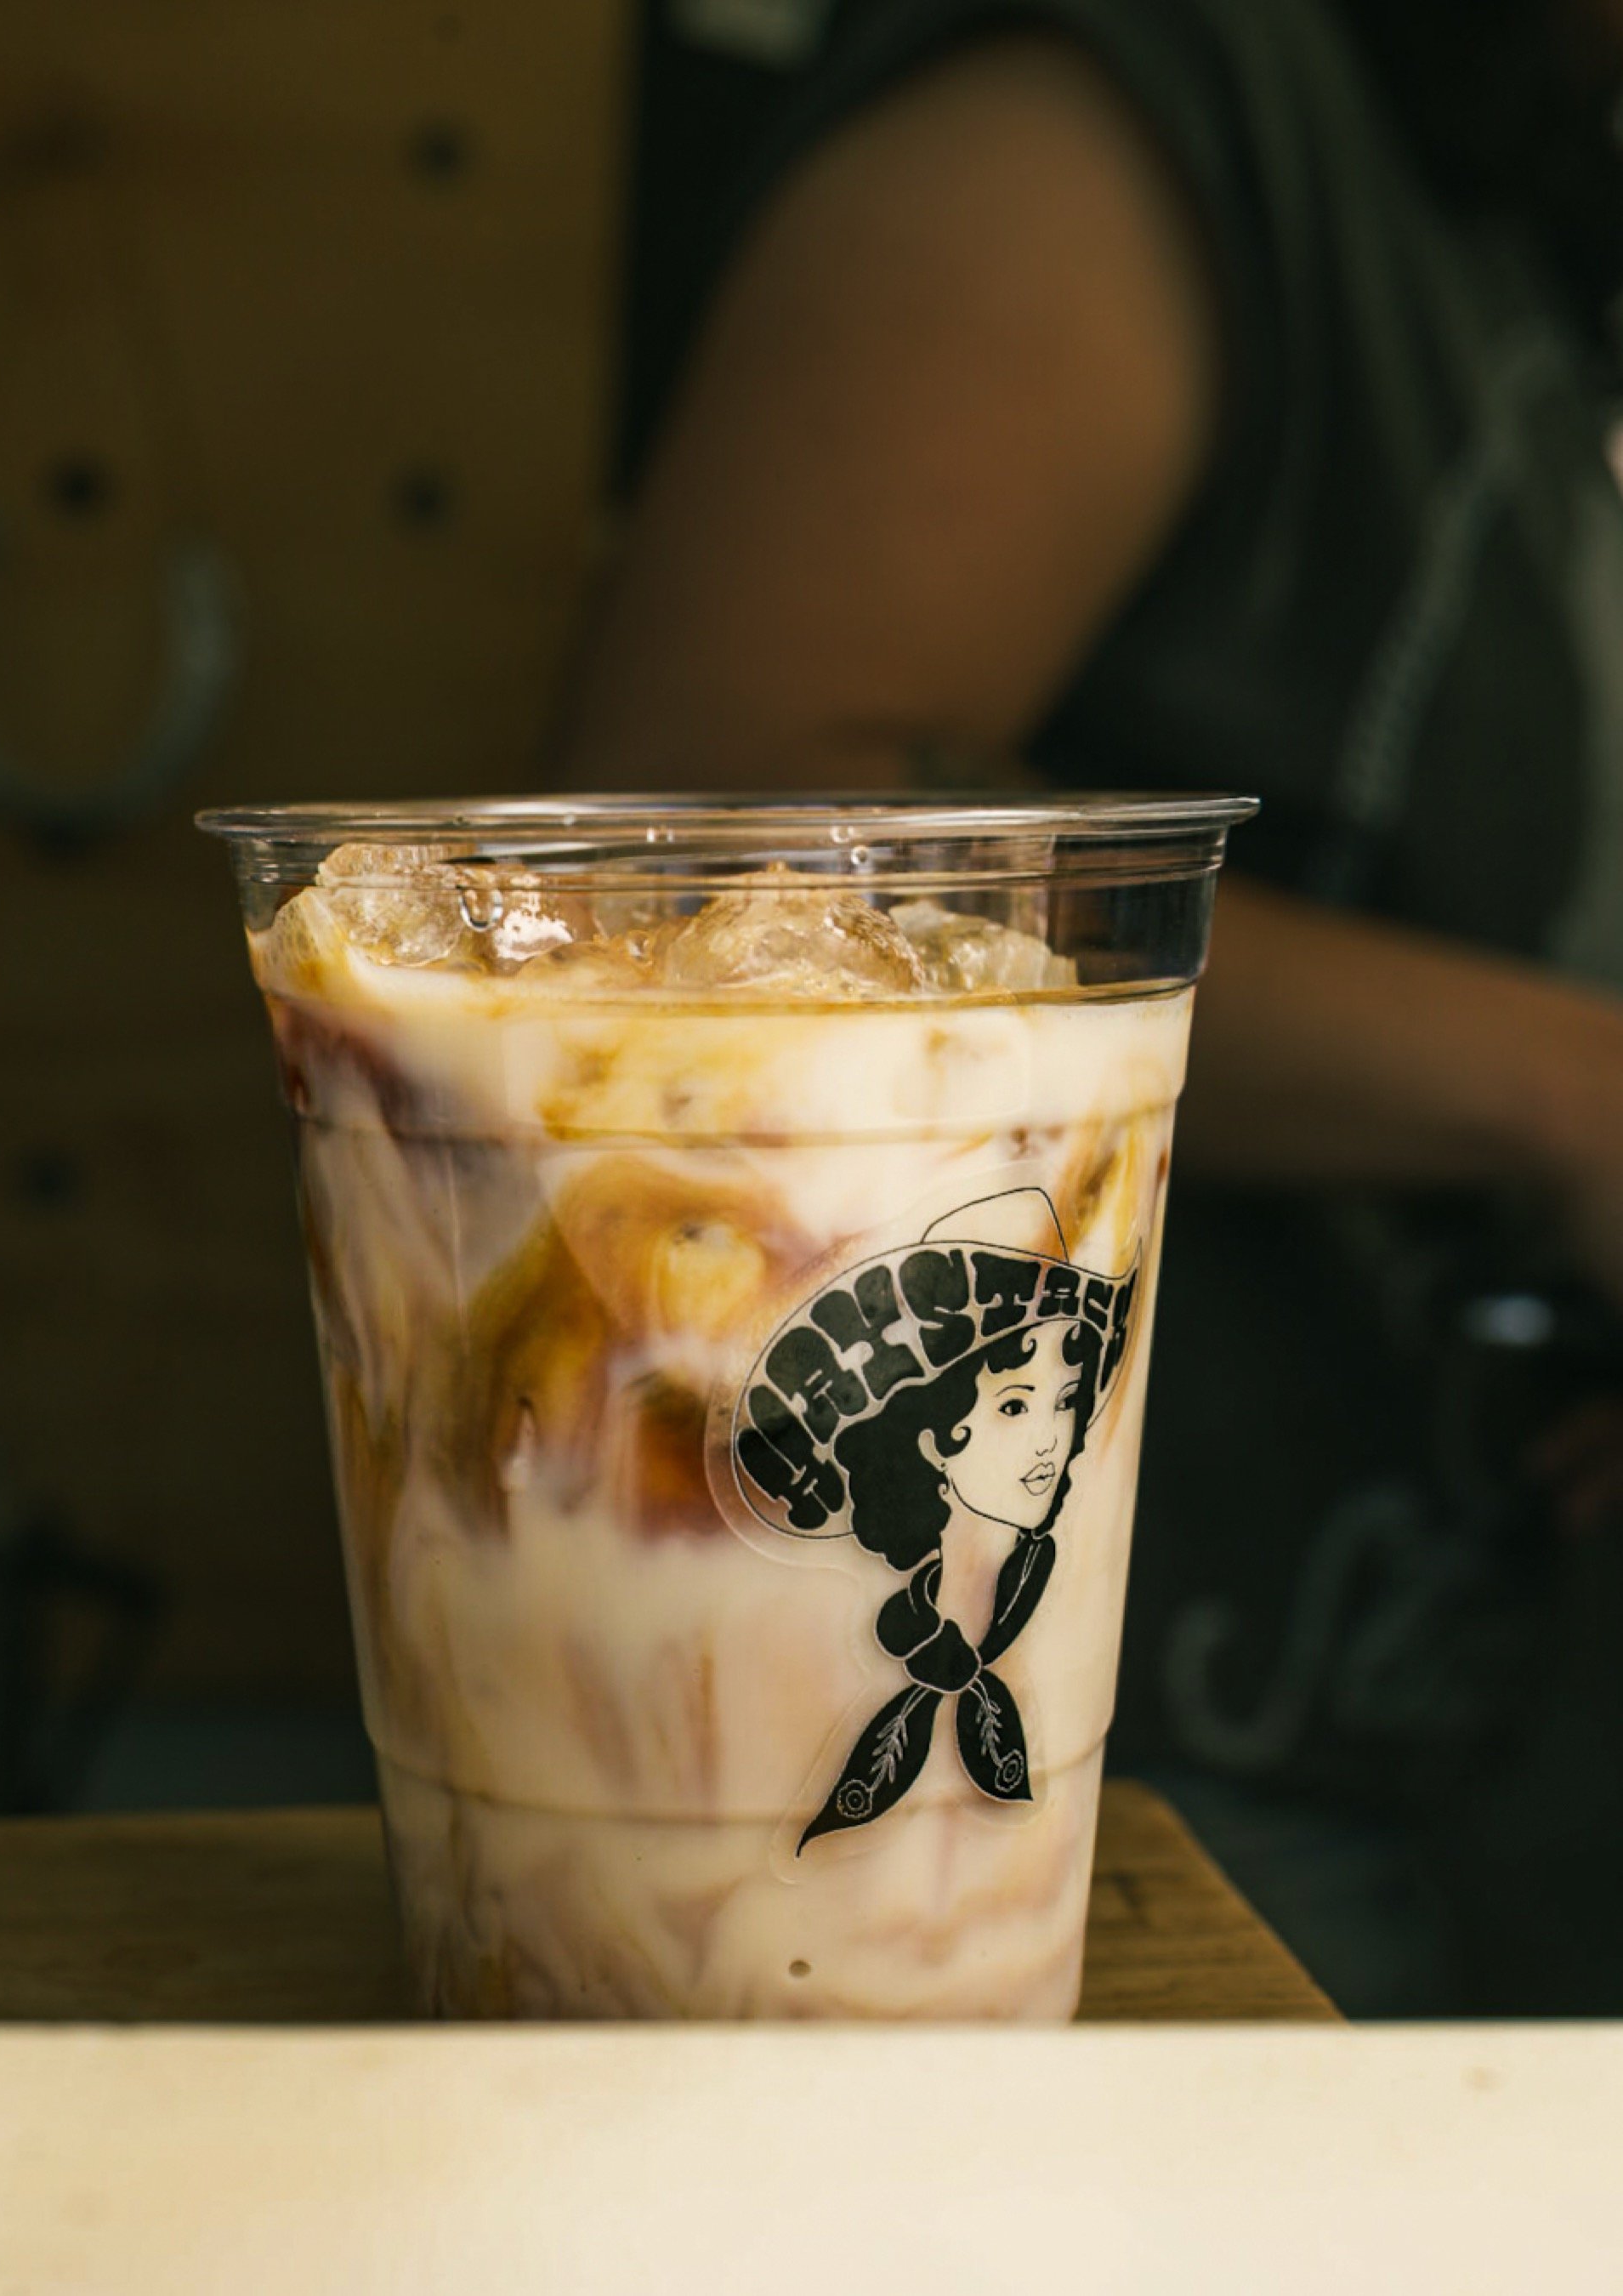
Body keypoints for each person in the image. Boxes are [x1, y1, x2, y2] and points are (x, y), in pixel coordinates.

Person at [563, 0, 1623, 2009]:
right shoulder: (1142, 100)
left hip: (1419, 1744)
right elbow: (722, 833)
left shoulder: (1500, 187)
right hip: (1061, 1801)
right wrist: (1570, 1095)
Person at [729, 1187, 1134, 1850]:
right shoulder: (789, 1633)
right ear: (931, 1437)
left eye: (1066, 1400)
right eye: (1013, 1406)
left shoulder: (1029, 1581)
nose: (1050, 1440)